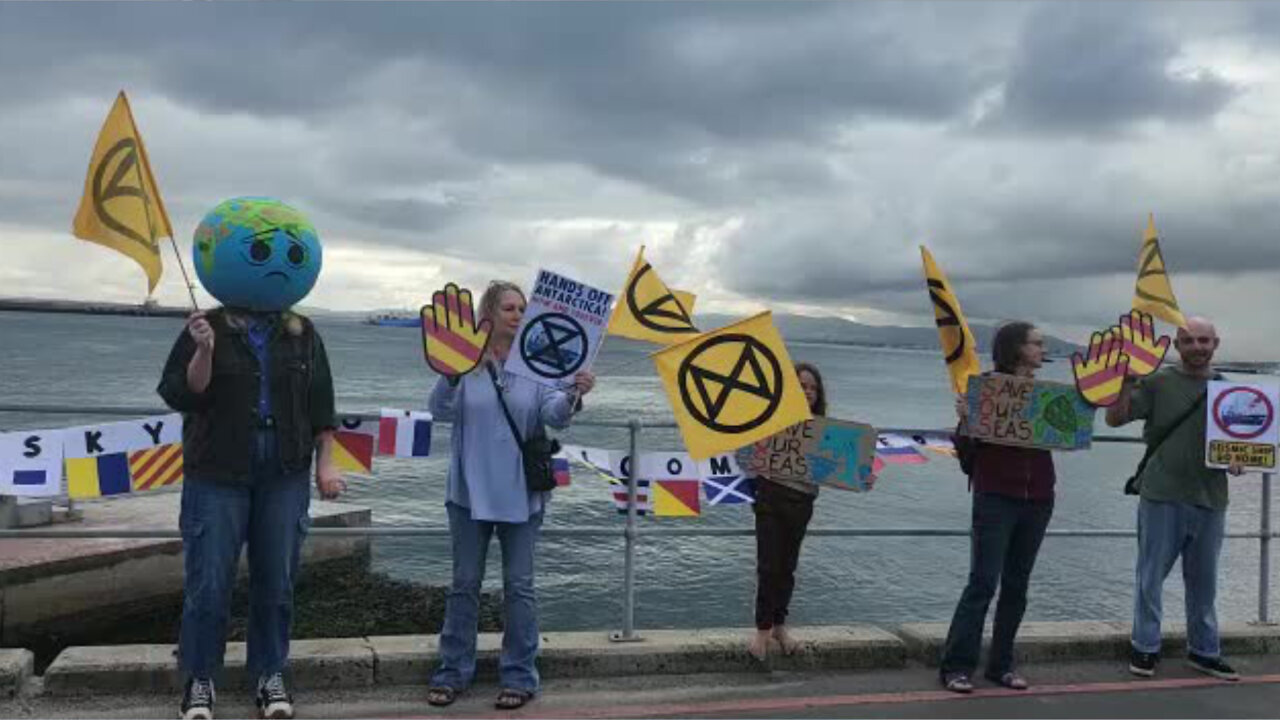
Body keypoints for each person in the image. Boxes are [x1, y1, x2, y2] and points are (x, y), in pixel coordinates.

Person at [158, 198, 344, 720]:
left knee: (276, 580)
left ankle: (269, 674)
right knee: (208, 581)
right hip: (216, 469)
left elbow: (321, 405)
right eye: (261, 251)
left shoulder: (303, 332)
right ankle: (199, 679)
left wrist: (327, 463)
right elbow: (184, 394)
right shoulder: (206, 325)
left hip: (285, 468)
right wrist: (203, 350)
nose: (277, 262)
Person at [425, 281, 595, 711]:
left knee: (520, 587)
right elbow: (439, 410)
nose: (518, 314)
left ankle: (520, 675)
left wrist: (575, 392)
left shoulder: (539, 364)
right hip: (467, 492)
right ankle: (451, 673)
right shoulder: (466, 363)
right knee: (464, 585)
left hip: (521, 493)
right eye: (509, 307)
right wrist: (450, 372)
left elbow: (553, 415)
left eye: (522, 307)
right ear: (489, 313)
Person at [1106, 316, 1244, 681]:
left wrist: (1240, 459)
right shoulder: (1156, 382)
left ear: (1216, 344)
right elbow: (1115, 420)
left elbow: (1244, 445)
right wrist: (1123, 385)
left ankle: (1204, 650)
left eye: (1203, 340)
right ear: (1176, 346)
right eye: (1189, 341)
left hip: (1211, 496)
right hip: (1162, 494)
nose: (1197, 347)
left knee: (1205, 581)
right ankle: (1145, 647)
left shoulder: (1229, 392)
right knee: (1150, 576)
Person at [939, 321, 1054, 693]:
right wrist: (966, 420)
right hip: (996, 496)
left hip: (1037, 496)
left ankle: (1001, 665)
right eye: (1036, 343)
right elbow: (967, 452)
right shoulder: (985, 389)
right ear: (1017, 348)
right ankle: (957, 666)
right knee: (983, 582)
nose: (1042, 348)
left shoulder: (1049, 394)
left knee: (1017, 585)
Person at [745, 363, 827, 661]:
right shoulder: (769, 419)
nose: (807, 392)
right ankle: (762, 631)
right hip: (769, 496)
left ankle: (780, 627)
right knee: (768, 566)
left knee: (788, 568)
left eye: (812, 388)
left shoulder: (823, 429)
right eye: (801, 386)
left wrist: (861, 476)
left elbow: (839, 468)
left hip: (803, 501)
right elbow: (746, 451)